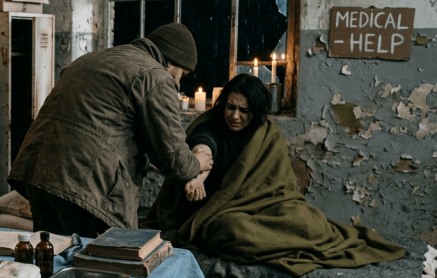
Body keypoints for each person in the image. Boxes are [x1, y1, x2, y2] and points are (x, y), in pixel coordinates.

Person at [142, 74, 406, 276]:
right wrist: (197, 178)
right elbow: (202, 150)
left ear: (256, 112)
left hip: (266, 204)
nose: (235, 116)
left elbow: (278, 187)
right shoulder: (210, 127)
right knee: (233, 231)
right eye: (230, 107)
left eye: (244, 110)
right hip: (218, 211)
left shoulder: (266, 133)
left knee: (309, 222)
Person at [7, 23, 213, 238]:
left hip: (37, 174)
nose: (178, 81)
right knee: (109, 255)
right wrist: (196, 163)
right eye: (182, 74)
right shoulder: (156, 75)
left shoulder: (90, 59)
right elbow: (173, 158)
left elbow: (102, 126)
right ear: (170, 61)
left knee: (54, 254)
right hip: (84, 186)